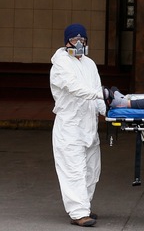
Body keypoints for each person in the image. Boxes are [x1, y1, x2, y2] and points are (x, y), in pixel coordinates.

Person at [50, 23, 106, 227]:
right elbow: (75, 88)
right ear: (66, 42)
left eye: (83, 40)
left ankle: (85, 206)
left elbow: (96, 88)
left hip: (89, 125)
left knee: (92, 170)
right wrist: (101, 94)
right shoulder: (61, 64)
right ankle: (78, 213)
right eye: (75, 40)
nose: (79, 43)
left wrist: (108, 110)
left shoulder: (89, 64)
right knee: (73, 170)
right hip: (70, 126)